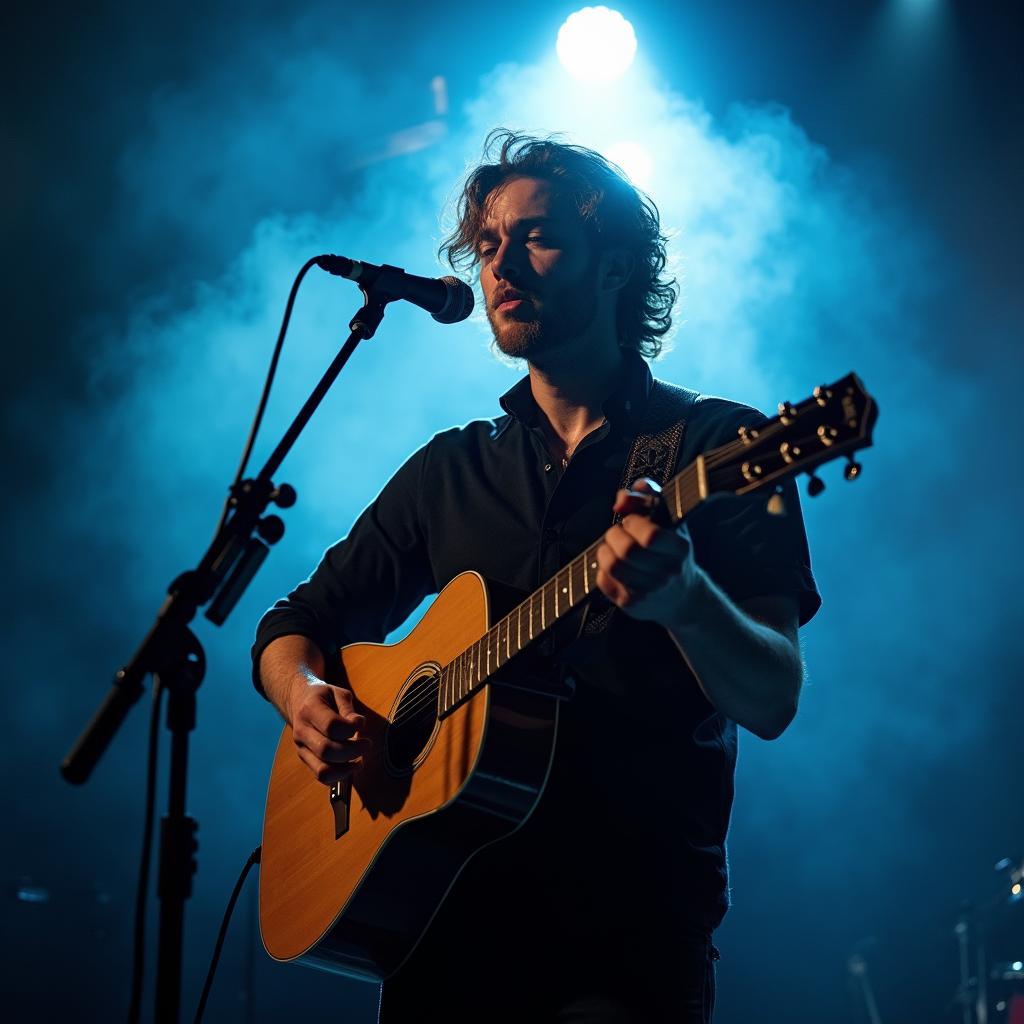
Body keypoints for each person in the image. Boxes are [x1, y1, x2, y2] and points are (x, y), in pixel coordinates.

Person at [252, 129, 820, 1022]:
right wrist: (306, 700)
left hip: (622, 948)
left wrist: (686, 601)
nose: (502, 264)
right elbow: (292, 624)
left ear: (614, 266)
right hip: (437, 928)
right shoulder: (452, 470)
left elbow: (775, 696)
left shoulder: (723, 447)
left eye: (538, 235)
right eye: (486, 246)